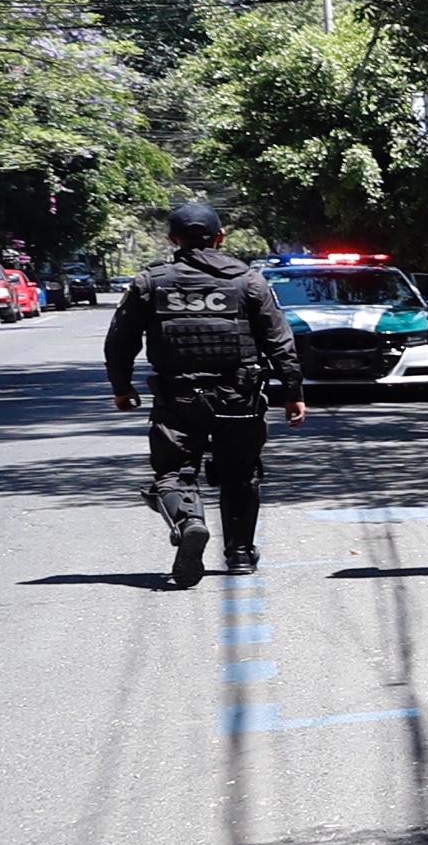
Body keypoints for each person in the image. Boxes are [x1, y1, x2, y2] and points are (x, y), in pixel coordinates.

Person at [104, 194, 303, 587]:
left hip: (178, 396)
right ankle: (241, 555)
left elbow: (120, 341)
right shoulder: (248, 280)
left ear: (172, 238)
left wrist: (122, 386)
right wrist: (293, 390)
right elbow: (279, 340)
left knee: (174, 471)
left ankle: (189, 520)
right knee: (241, 473)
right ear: (221, 237)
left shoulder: (150, 281)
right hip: (239, 396)